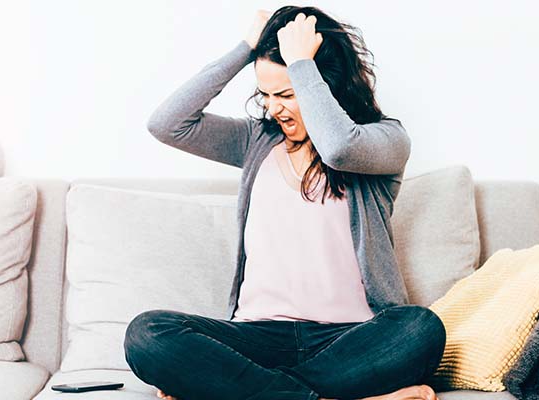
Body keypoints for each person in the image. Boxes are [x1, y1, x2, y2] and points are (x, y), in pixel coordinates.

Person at [124, 6, 446, 400]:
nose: (273, 108)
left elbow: (339, 148)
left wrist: (300, 62)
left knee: (421, 328)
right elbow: (167, 123)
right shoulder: (256, 141)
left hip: (350, 337)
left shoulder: (384, 140)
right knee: (147, 334)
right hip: (259, 336)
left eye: (287, 94)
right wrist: (246, 48)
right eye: (265, 95)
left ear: (322, 83)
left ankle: (247, 390)